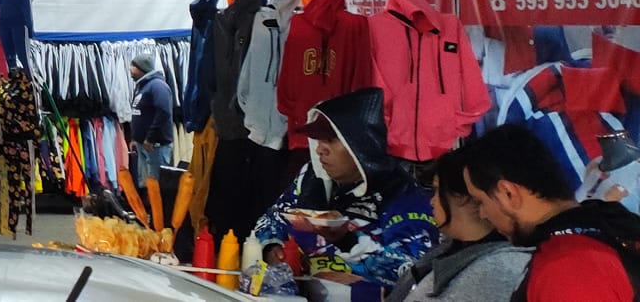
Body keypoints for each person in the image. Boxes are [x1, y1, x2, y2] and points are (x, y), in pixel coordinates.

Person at [255, 88, 438, 291]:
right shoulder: (310, 177)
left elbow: (412, 275)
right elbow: (272, 218)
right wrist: (272, 248)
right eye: (318, 140)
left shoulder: (401, 194)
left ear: (359, 145)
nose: (319, 149)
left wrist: (349, 241)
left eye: (330, 140)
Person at [459, 123, 640, 302]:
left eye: (480, 201)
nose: (482, 214)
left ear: (508, 193)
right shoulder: (606, 223)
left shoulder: (567, 267)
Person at [384, 147, 530, 302]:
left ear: (462, 196)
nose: (432, 201)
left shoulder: (499, 270)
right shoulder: (452, 250)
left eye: (437, 189)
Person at [129, 53, 174, 187]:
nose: (130, 68)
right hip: (144, 144)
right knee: (146, 184)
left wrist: (151, 138)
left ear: (142, 68)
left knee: (157, 184)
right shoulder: (142, 86)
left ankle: (159, 208)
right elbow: (139, 113)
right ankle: (149, 208)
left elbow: (163, 112)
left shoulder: (157, 86)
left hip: (155, 146)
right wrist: (135, 138)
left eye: (133, 66)